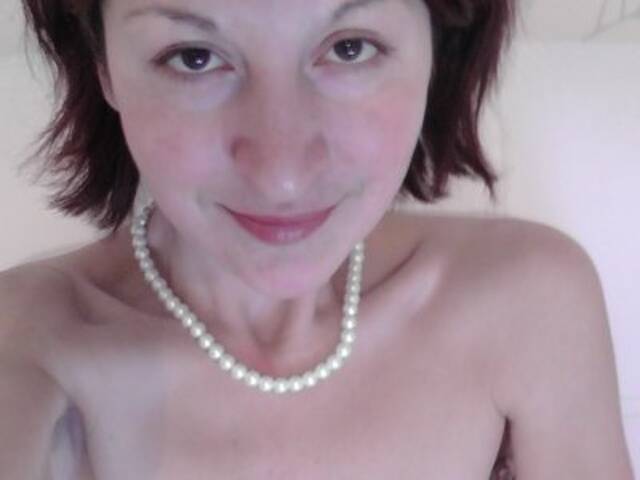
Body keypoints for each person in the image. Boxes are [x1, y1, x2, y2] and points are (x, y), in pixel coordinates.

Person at [0, 0, 634, 478]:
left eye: (350, 48)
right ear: (103, 67)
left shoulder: (529, 304)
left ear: (436, 47)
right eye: (194, 57)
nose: (281, 174)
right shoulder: (30, 349)